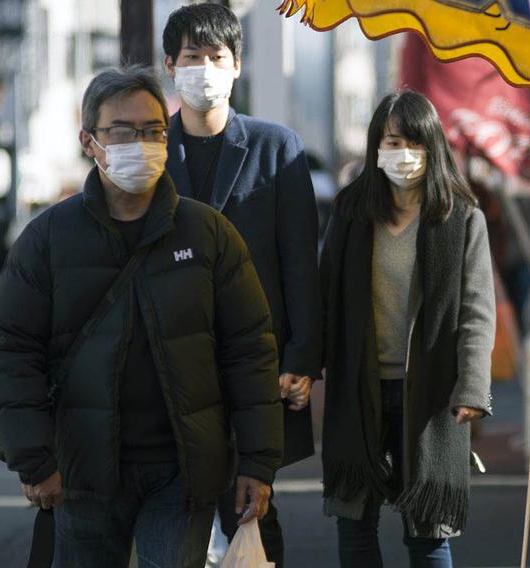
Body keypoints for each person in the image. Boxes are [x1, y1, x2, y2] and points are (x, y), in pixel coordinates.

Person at [0, 67, 283, 568]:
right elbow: (10, 349)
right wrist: (34, 459)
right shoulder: (49, 238)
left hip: (182, 470)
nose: (140, 143)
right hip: (82, 472)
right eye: (122, 131)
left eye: (152, 130)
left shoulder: (207, 232)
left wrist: (257, 461)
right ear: (89, 141)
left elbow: (249, 349)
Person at [162, 5, 322, 565]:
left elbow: (300, 260)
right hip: (170, 364)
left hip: (257, 362)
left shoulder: (277, 148)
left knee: (252, 506)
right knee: (173, 507)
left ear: (237, 67)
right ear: (169, 66)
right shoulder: (151, 155)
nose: (203, 69)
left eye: (215, 58)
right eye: (191, 58)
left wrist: (301, 357)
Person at [319, 91, 497, 568]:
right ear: (376, 145)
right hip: (360, 389)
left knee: (429, 531)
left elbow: (477, 311)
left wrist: (473, 386)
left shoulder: (461, 218)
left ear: (433, 146)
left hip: (432, 393)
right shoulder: (350, 214)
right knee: (354, 522)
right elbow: (325, 297)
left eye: (414, 142)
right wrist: (302, 366)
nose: (403, 154)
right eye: (393, 141)